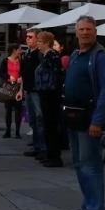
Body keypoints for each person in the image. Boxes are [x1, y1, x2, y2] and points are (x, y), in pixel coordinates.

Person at [65, 16, 105, 210]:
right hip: (74, 117)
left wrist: (98, 121)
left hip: (90, 119)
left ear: (95, 32)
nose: (85, 32)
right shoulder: (76, 54)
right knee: (79, 164)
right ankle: (87, 206)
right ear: (76, 32)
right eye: (81, 29)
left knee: (90, 165)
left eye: (89, 29)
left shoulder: (100, 57)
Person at [36, 32, 65, 167]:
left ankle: (55, 156)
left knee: (51, 124)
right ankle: (50, 154)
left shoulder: (52, 55)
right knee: (48, 125)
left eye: (40, 41)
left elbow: (58, 73)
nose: (38, 44)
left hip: (51, 94)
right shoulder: (45, 56)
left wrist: (56, 89)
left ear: (47, 42)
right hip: (45, 92)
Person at [18, 31, 45, 159]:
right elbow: (23, 74)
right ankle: (36, 145)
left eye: (30, 37)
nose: (27, 39)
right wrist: (21, 90)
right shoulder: (27, 54)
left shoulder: (39, 55)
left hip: (36, 90)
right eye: (27, 37)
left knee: (40, 118)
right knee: (32, 119)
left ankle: (42, 147)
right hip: (28, 90)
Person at [0, 44, 23, 138]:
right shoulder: (6, 61)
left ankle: (17, 131)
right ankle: (8, 130)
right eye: (19, 50)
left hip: (18, 87)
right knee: (8, 109)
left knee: (18, 110)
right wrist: (8, 77)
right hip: (9, 86)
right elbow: (1, 72)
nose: (20, 51)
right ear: (14, 50)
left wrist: (21, 78)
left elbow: (22, 72)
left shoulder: (20, 61)